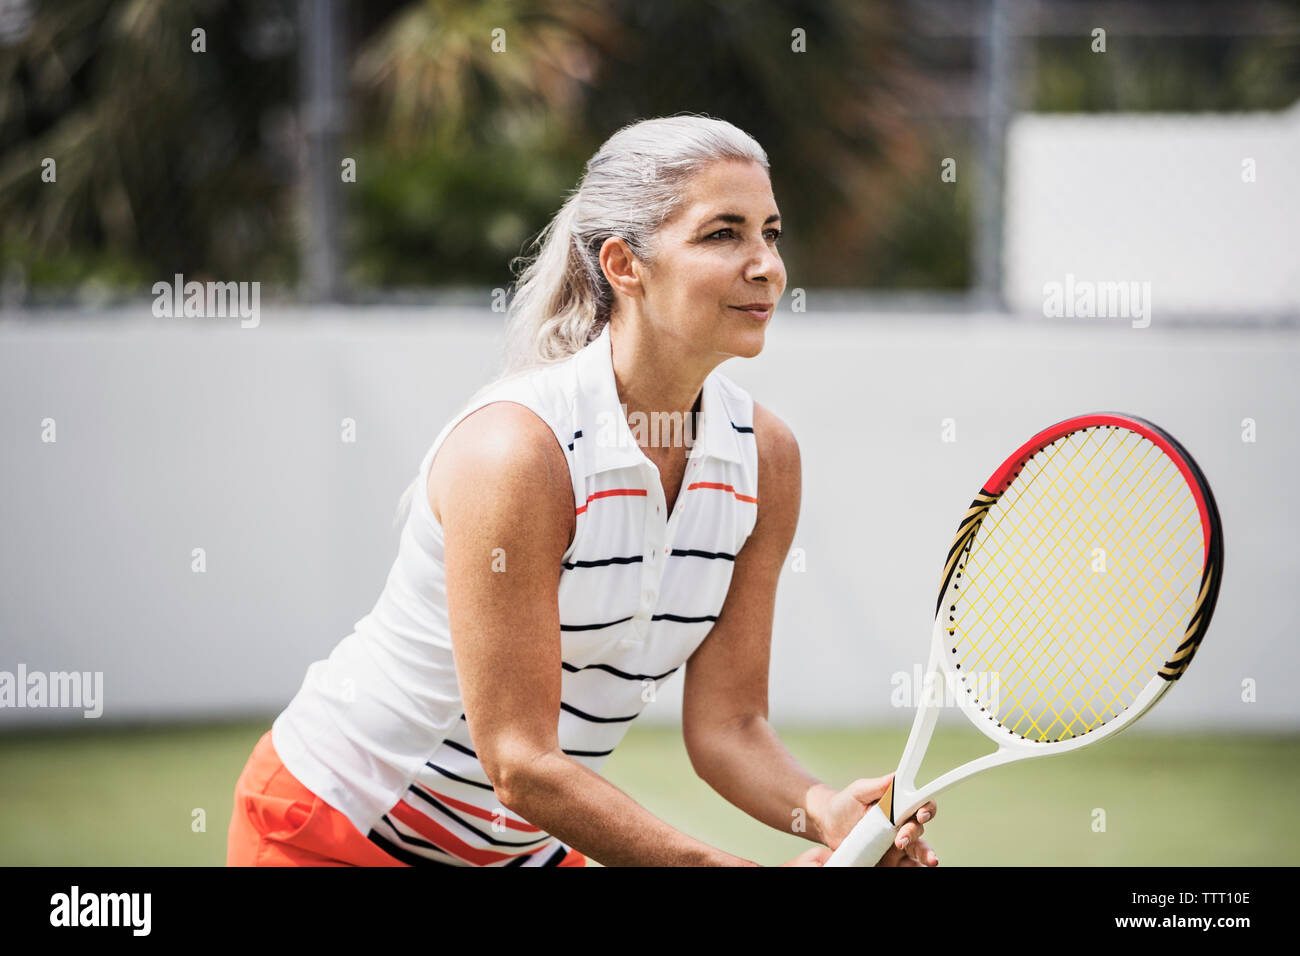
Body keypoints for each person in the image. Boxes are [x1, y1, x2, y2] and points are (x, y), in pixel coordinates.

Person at [227, 114, 938, 867]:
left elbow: (728, 726)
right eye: (723, 234)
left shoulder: (767, 458)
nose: (766, 265)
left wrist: (823, 812)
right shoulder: (519, 453)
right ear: (624, 265)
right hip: (329, 828)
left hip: (515, 850)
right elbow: (520, 765)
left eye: (771, 231)